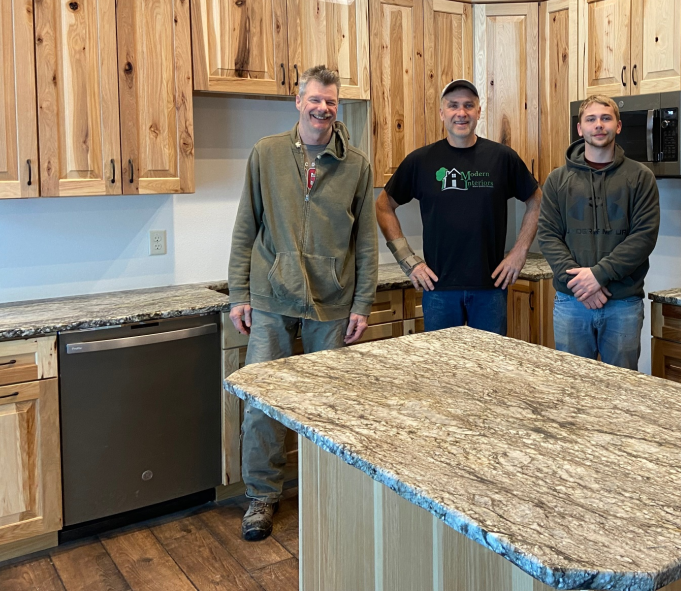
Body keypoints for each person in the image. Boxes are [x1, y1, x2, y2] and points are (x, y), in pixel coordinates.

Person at [227, 66, 377, 541]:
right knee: (262, 404)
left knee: (328, 406)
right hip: (272, 298)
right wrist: (239, 293)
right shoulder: (267, 154)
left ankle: (327, 490)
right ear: (298, 101)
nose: (323, 108)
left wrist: (363, 303)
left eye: (331, 101)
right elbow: (246, 228)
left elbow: (367, 240)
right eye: (315, 99)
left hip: (332, 303)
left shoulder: (355, 163)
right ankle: (262, 498)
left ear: (337, 106)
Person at [376, 79, 541, 335]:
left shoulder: (502, 158)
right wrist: (409, 261)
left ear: (478, 112)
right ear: (442, 113)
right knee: (442, 369)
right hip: (438, 289)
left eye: (468, 105)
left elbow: (536, 199)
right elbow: (383, 206)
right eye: (453, 106)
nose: (461, 113)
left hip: (490, 287)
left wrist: (519, 252)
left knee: (490, 367)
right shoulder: (421, 161)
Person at [537, 94, 659, 369]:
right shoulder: (557, 180)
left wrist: (598, 275)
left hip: (623, 303)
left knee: (623, 390)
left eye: (606, 118)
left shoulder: (640, 178)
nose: (598, 125)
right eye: (591, 119)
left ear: (618, 126)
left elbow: (644, 237)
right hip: (571, 302)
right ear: (580, 129)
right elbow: (548, 235)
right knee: (573, 387)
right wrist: (582, 286)